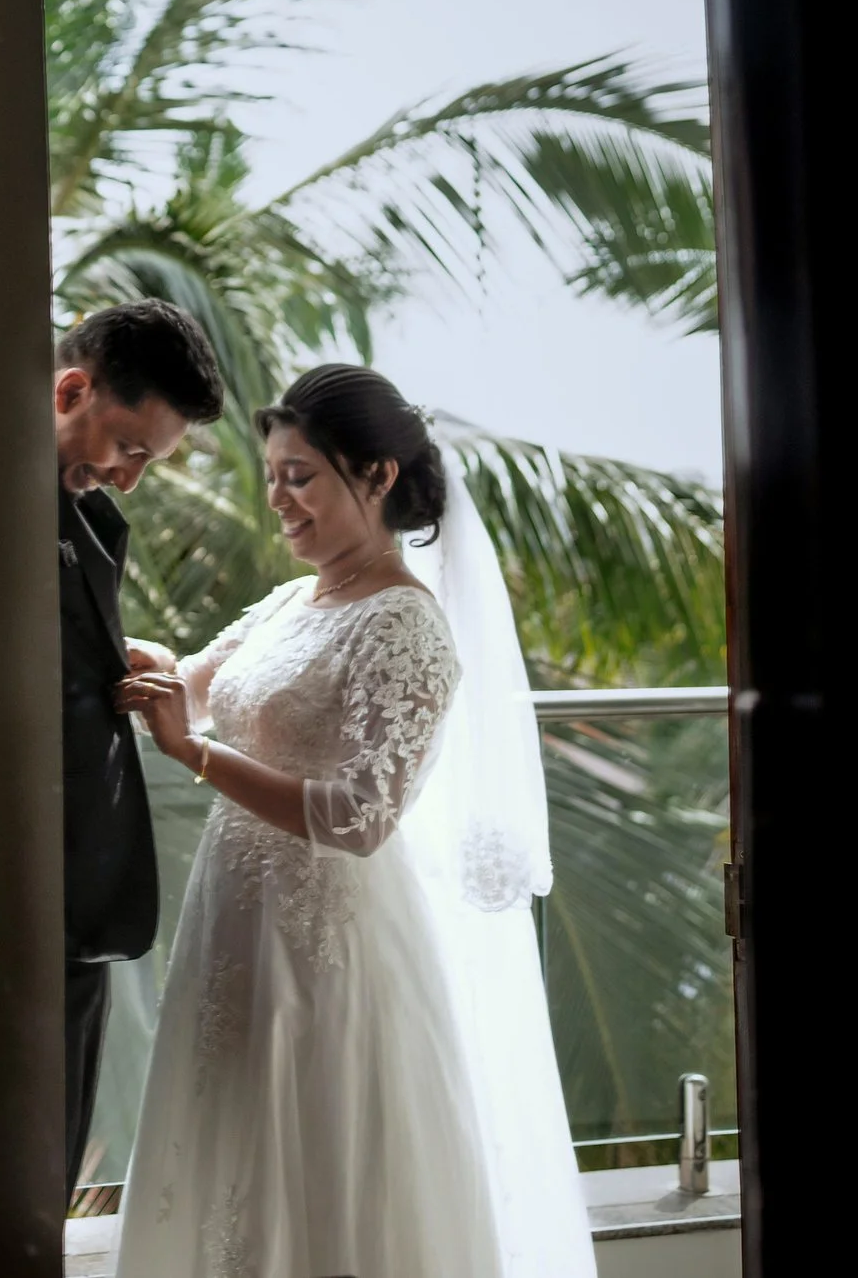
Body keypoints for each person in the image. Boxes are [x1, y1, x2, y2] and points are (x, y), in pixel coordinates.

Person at [112, 365, 593, 1276]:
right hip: (235, 927)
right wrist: (101, 640)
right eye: (272, 475)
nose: (277, 498)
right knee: (225, 1151)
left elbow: (362, 815)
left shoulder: (406, 625)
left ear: (374, 475)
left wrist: (194, 754)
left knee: (316, 1168)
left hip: (324, 946)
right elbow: (197, 685)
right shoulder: (299, 598)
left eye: (301, 475)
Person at [52, 300, 227, 1188]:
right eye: (129, 449)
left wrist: (125, 656)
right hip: (18, 899)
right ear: (71, 388)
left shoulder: (83, 518)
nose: (128, 479)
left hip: (76, 905)